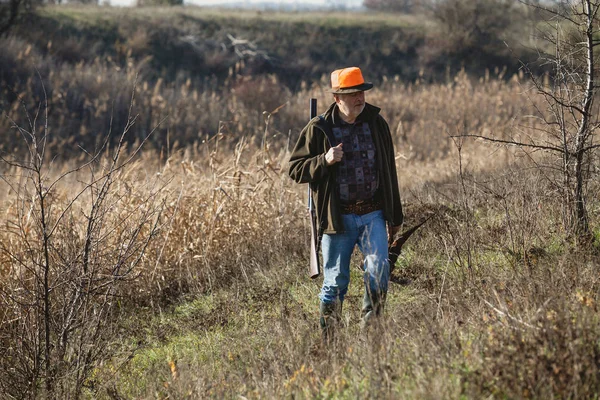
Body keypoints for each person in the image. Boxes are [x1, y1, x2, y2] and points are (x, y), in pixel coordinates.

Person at [288, 66, 403, 340]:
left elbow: (389, 171)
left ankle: (370, 336)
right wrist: (324, 160)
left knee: (379, 270)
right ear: (337, 98)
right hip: (337, 219)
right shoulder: (319, 128)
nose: (360, 98)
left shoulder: (377, 124)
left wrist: (395, 217)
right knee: (335, 283)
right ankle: (332, 343)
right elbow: (295, 169)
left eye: (361, 92)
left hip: (372, 212)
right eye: (352, 94)